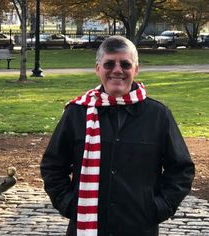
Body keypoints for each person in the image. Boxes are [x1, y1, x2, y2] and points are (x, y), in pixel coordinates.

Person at [40, 35, 195, 236]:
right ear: (98, 69)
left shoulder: (158, 115)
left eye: (125, 64)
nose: (117, 70)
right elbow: (53, 165)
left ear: (136, 69)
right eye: (109, 64)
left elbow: (181, 169)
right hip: (87, 225)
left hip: (139, 227)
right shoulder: (76, 113)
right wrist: (69, 204)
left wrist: (159, 206)